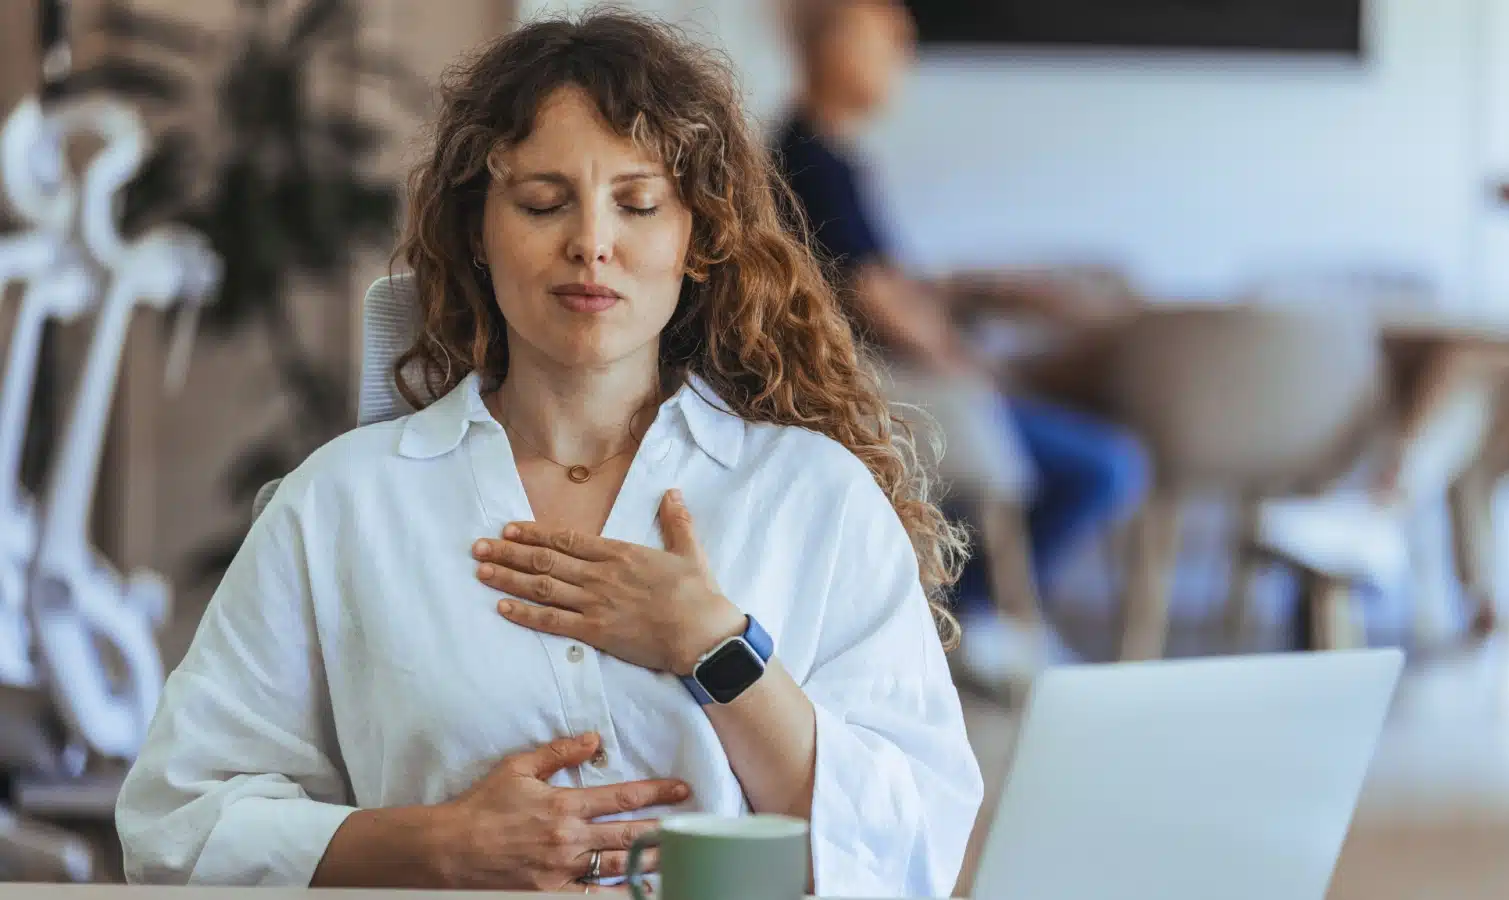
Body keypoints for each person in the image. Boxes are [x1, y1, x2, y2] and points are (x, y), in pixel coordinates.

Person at [114, 12, 982, 897]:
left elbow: (919, 841)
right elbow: (177, 819)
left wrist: (716, 648)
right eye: (541, 202)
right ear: (478, 235)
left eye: (638, 204)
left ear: (699, 239)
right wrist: (434, 846)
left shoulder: (811, 497)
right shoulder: (342, 503)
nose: (591, 242)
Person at [773, 0, 1148, 686]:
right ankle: (977, 615)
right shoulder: (810, 160)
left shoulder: (824, 156)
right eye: (887, 42)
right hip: (899, 398)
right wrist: (967, 364)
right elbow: (875, 297)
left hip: (904, 390)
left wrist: (976, 289)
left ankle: (972, 616)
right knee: (1108, 465)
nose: (901, 61)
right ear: (830, 48)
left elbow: (881, 278)